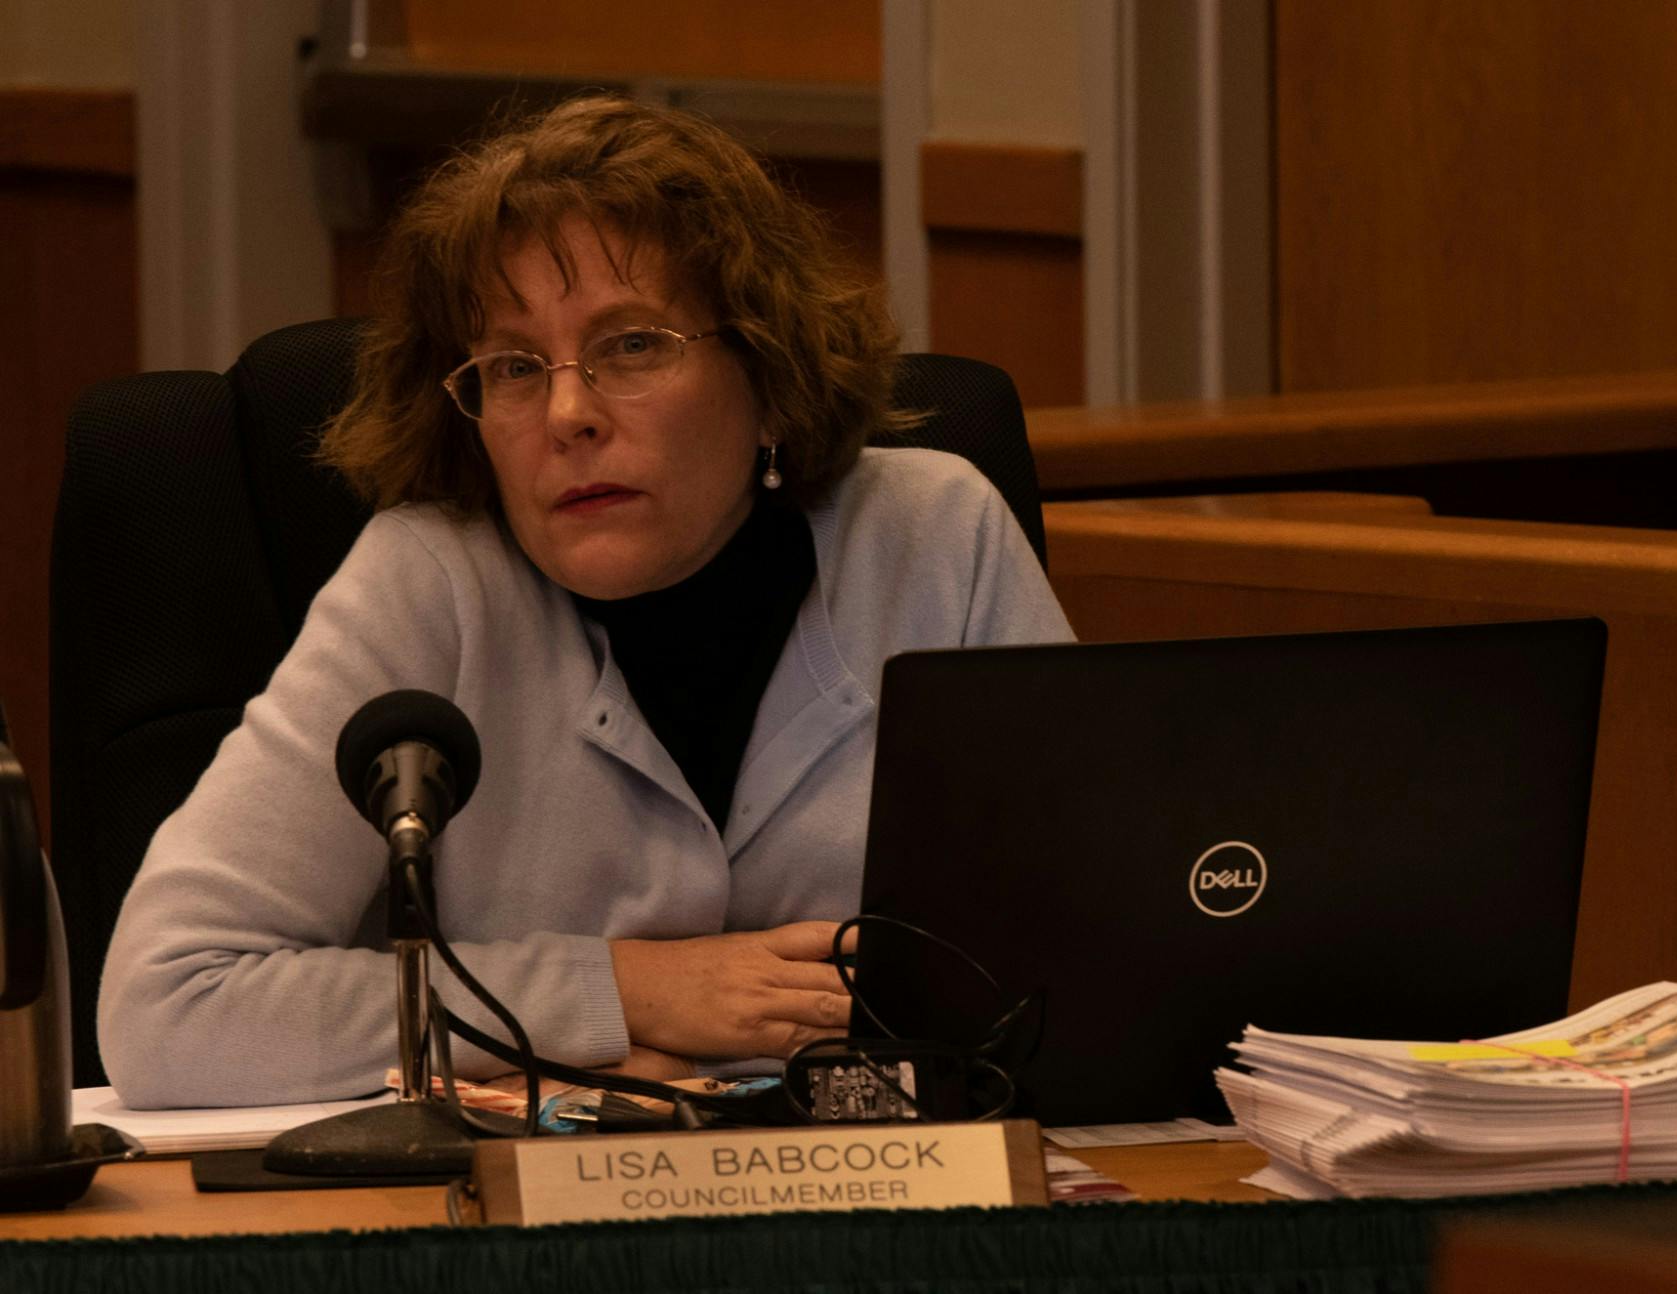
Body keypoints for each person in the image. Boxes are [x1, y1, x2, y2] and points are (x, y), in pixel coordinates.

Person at [96, 95, 1073, 1108]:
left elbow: (1095, 944)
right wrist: (622, 992)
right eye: (515, 368)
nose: (567, 414)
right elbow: (168, 1003)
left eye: (632, 346)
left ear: (768, 371)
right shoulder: (427, 582)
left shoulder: (934, 537)